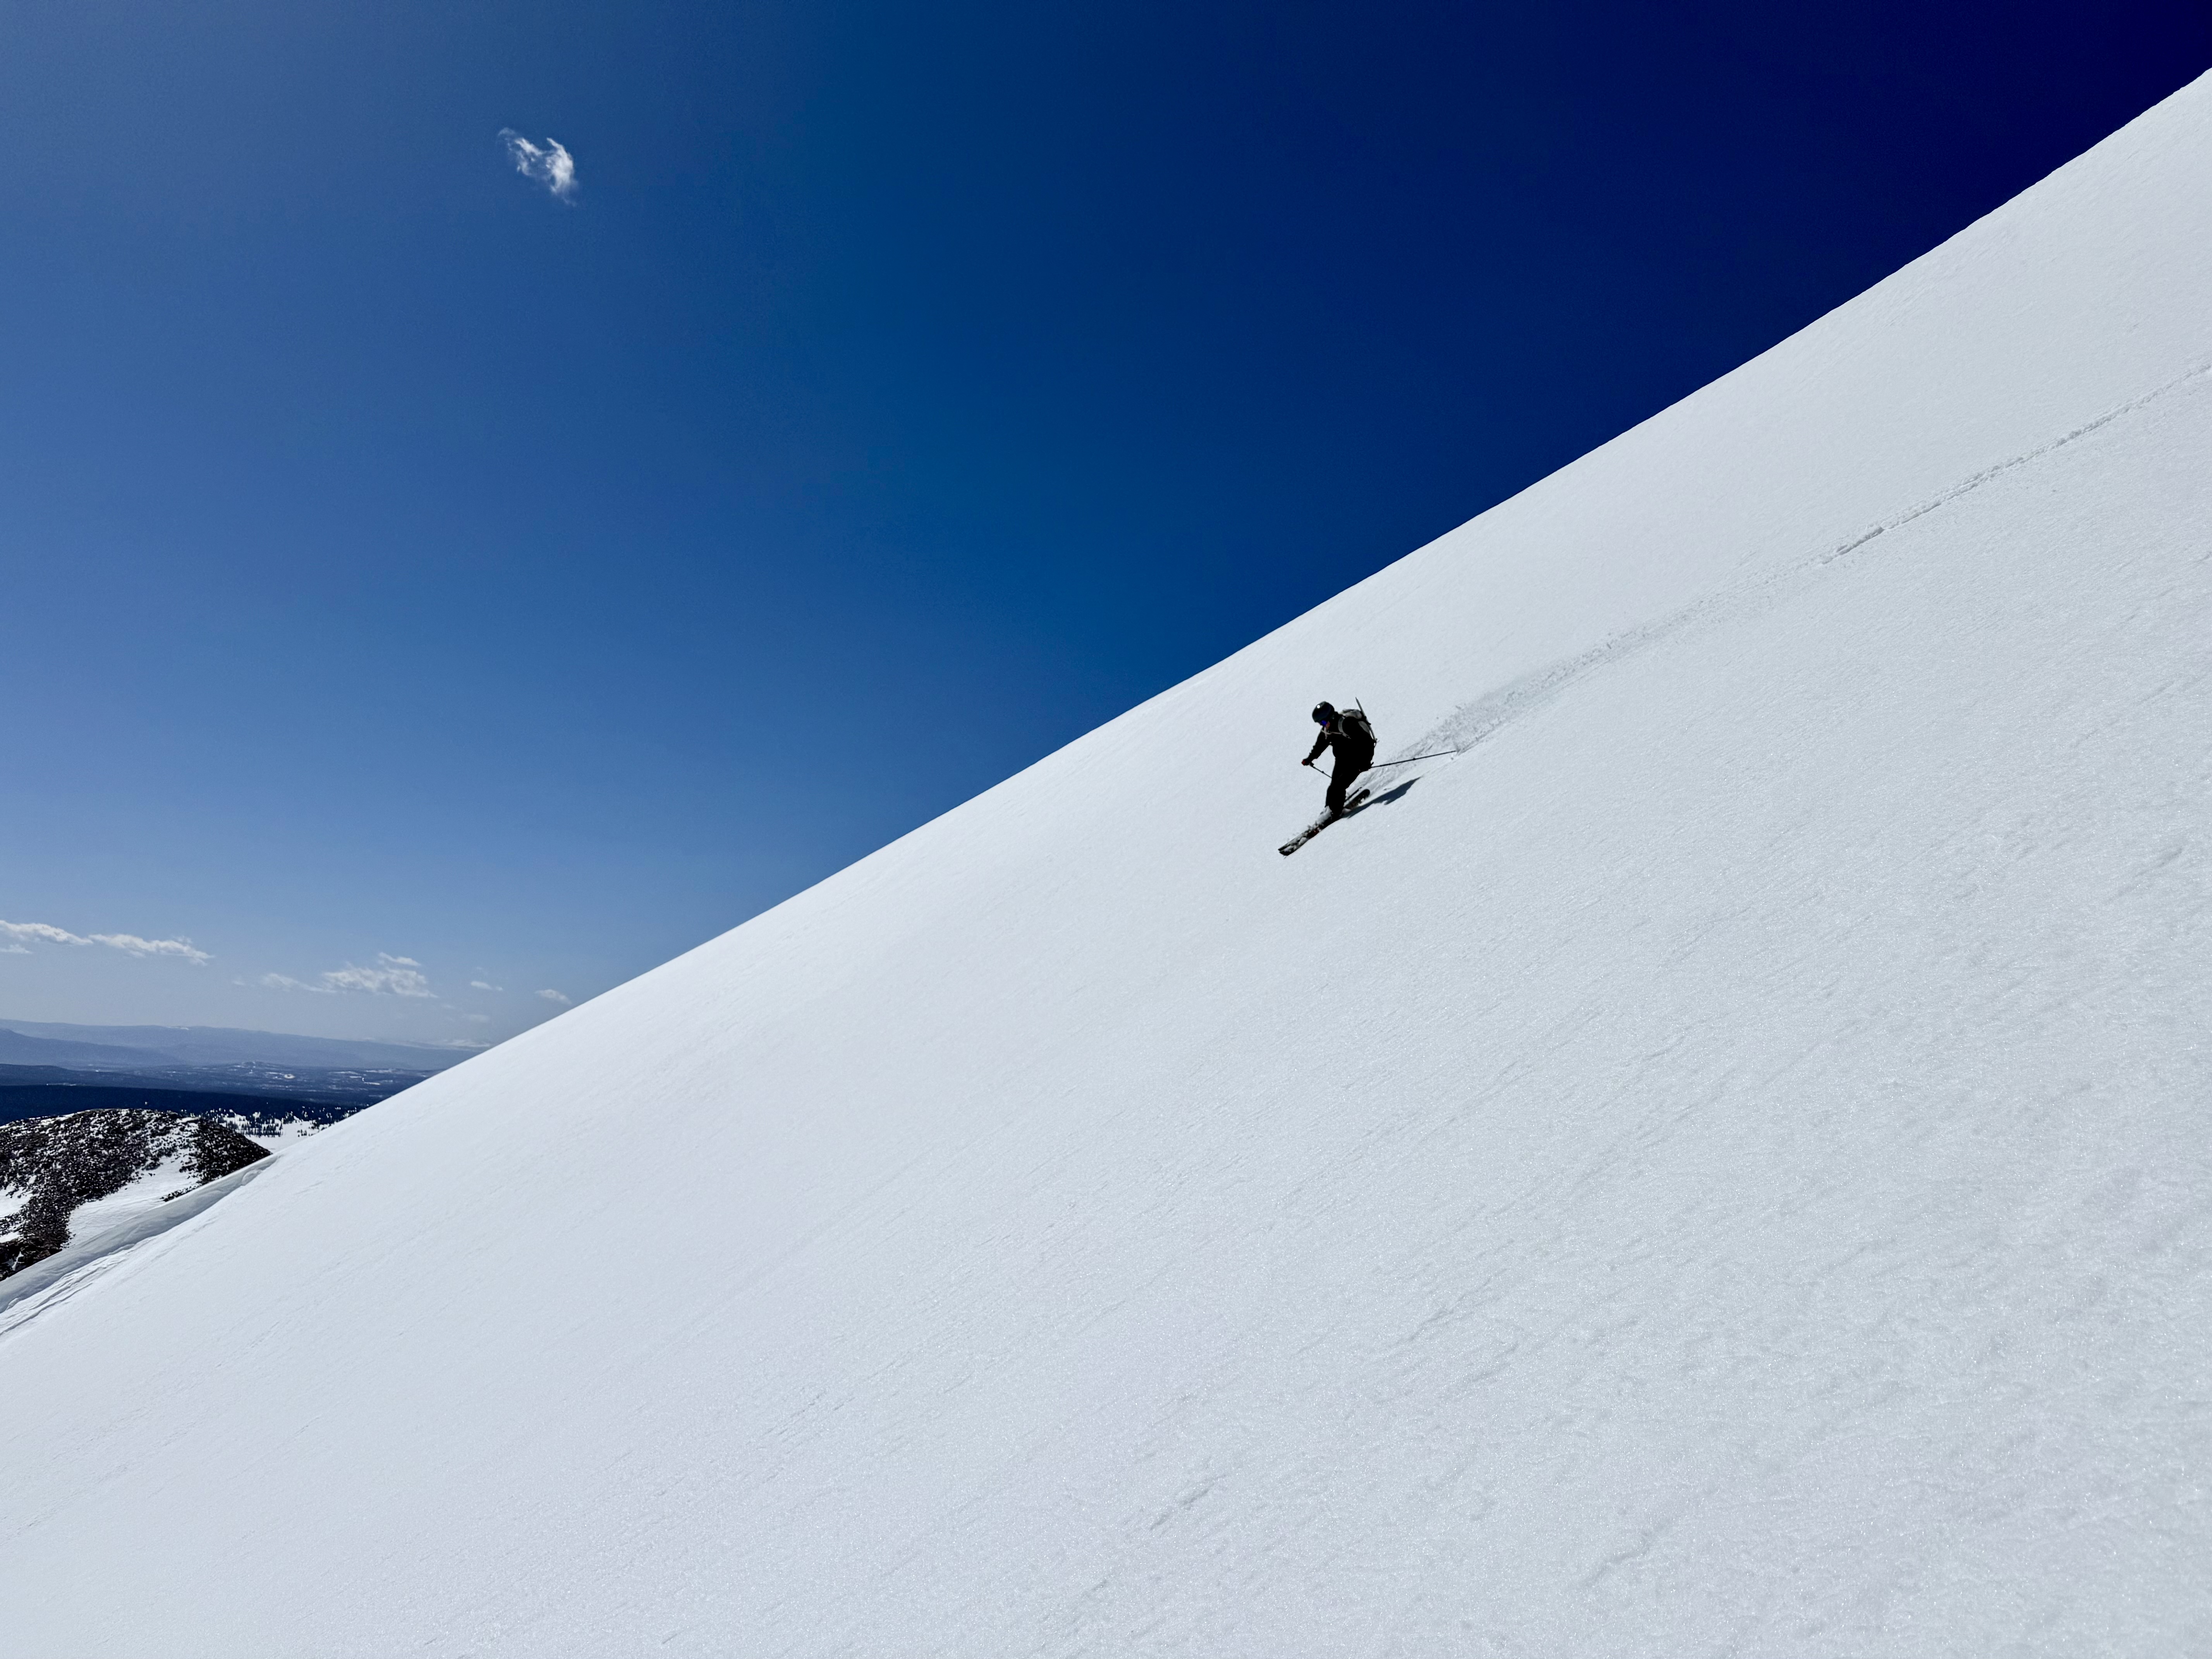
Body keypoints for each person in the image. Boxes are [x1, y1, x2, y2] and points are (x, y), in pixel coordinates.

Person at [1302, 701, 1375, 815]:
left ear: (1330, 717)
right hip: (1342, 759)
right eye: (1320, 723)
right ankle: (1328, 811)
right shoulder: (1327, 730)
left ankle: (1335, 813)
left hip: (1357, 760)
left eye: (1323, 722)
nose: (1322, 725)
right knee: (1332, 788)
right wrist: (1310, 759)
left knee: (1339, 786)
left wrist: (1366, 761)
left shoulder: (1347, 724)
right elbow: (1320, 746)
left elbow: (1367, 742)